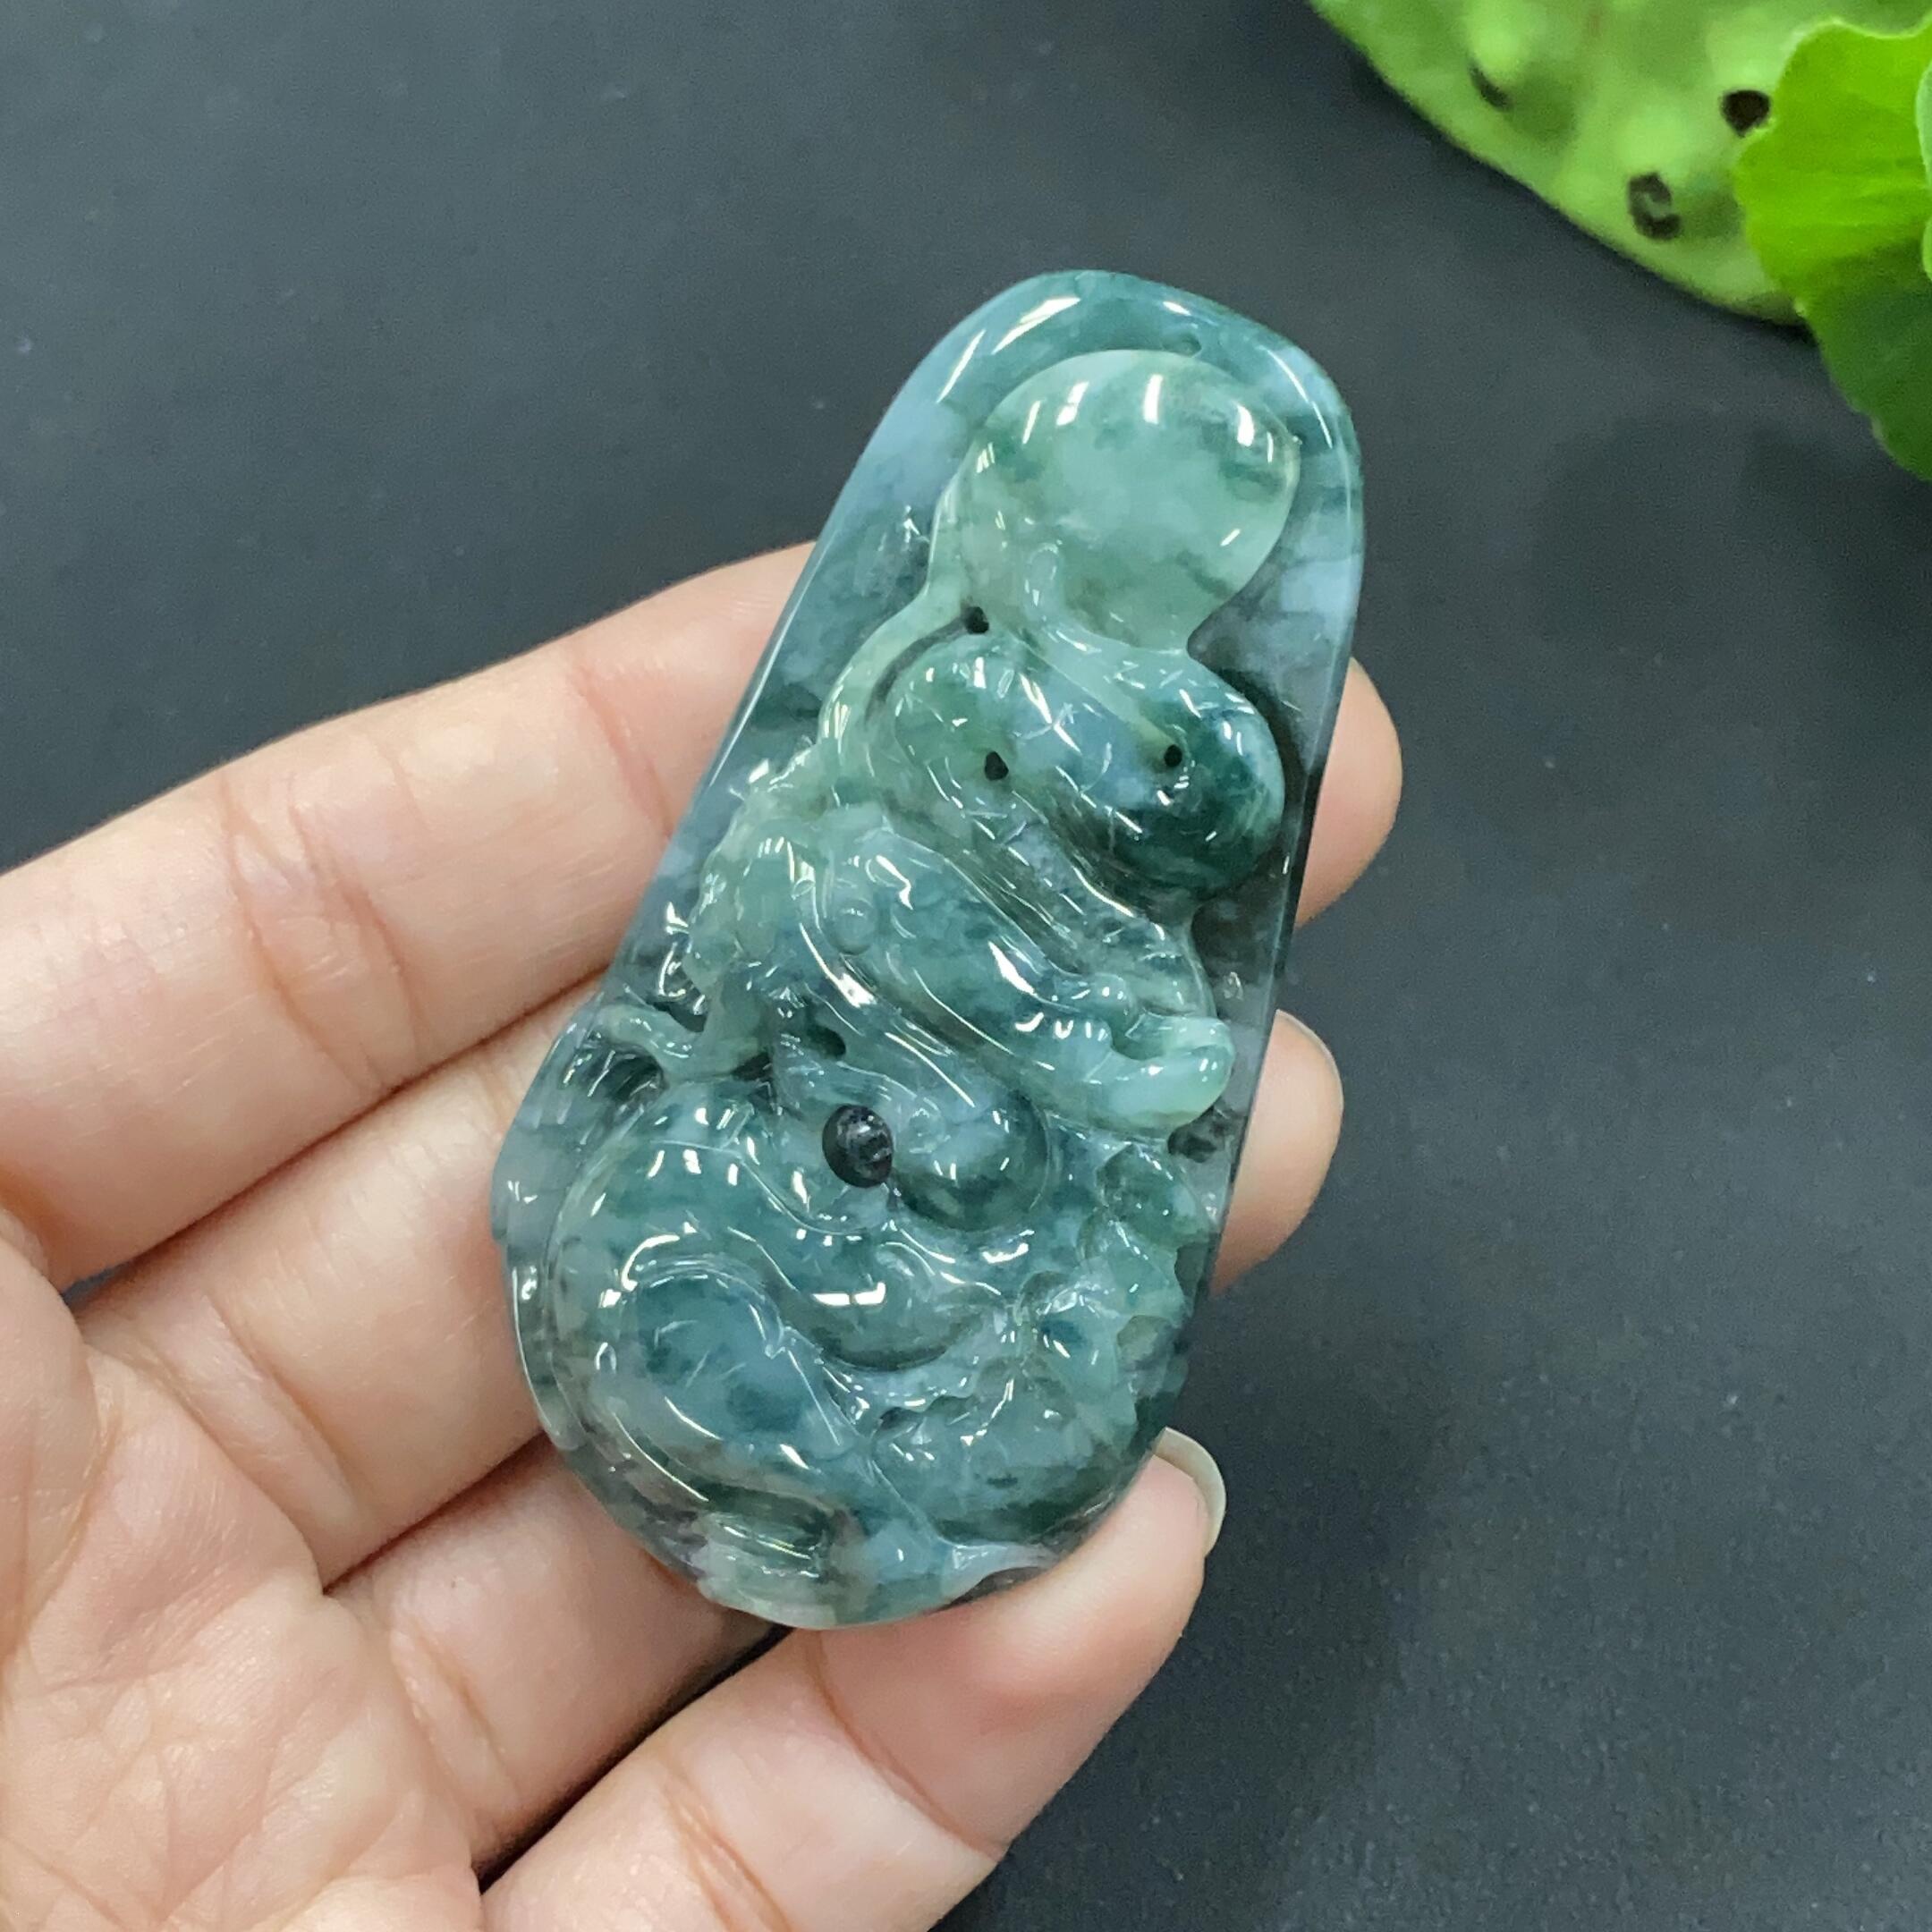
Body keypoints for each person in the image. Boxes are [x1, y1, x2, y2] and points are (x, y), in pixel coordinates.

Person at [0, 548, 1400, 1929]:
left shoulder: (1116, 970)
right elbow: (745, 997)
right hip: (769, 1205)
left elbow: (1131, 1100)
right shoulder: (871, 841)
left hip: (942, 1279)